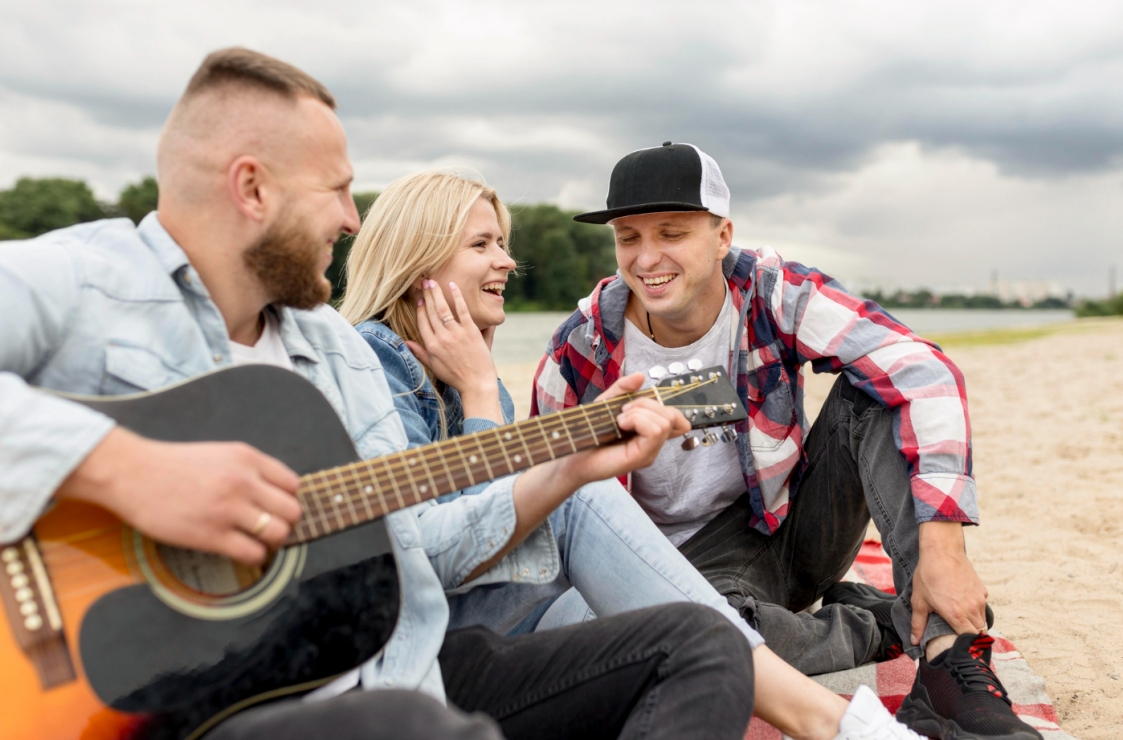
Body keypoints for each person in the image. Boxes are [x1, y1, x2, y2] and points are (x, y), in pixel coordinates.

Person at [0, 50, 752, 740]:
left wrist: (565, 470)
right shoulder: (87, 281)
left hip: (373, 678)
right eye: (335, 190)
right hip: (154, 709)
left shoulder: (332, 351)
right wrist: (123, 469)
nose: (352, 219)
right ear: (252, 188)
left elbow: (415, 545)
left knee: (699, 644)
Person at [339, 170, 925, 740]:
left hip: (529, 605)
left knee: (668, 616)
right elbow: (440, 554)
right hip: (429, 629)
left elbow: (503, 539)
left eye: (503, 243)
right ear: (420, 260)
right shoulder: (377, 363)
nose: (507, 262)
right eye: (482, 244)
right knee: (610, 525)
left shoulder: (452, 373)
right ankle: (830, 710)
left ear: (722, 238)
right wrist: (482, 396)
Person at [532, 142, 1043, 740]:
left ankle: (946, 655)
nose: (647, 259)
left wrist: (945, 551)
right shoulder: (583, 346)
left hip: (791, 526)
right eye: (628, 238)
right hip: (684, 573)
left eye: (671, 233)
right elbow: (550, 500)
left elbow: (924, 372)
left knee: (875, 390)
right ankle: (878, 626)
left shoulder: (773, 293)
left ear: (722, 236)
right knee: (704, 641)